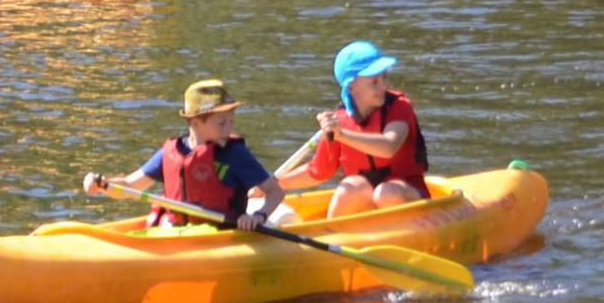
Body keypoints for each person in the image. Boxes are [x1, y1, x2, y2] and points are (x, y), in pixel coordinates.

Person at [95, 79, 289, 230]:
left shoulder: (235, 154)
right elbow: (130, 185)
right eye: (221, 123)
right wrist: (102, 185)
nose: (228, 129)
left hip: (223, 233)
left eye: (231, 121)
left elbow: (275, 192)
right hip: (177, 231)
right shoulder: (170, 153)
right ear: (195, 122)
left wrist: (258, 216)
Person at [276, 41, 432, 219]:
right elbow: (318, 171)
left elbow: (389, 146)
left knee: (386, 192)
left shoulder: (400, 108)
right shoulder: (339, 121)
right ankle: (333, 236)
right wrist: (272, 185)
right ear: (351, 87)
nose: (383, 86)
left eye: (384, 78)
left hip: (407, 195)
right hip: (366, 203)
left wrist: (341, 135)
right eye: (374, 82)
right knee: (350, 187)